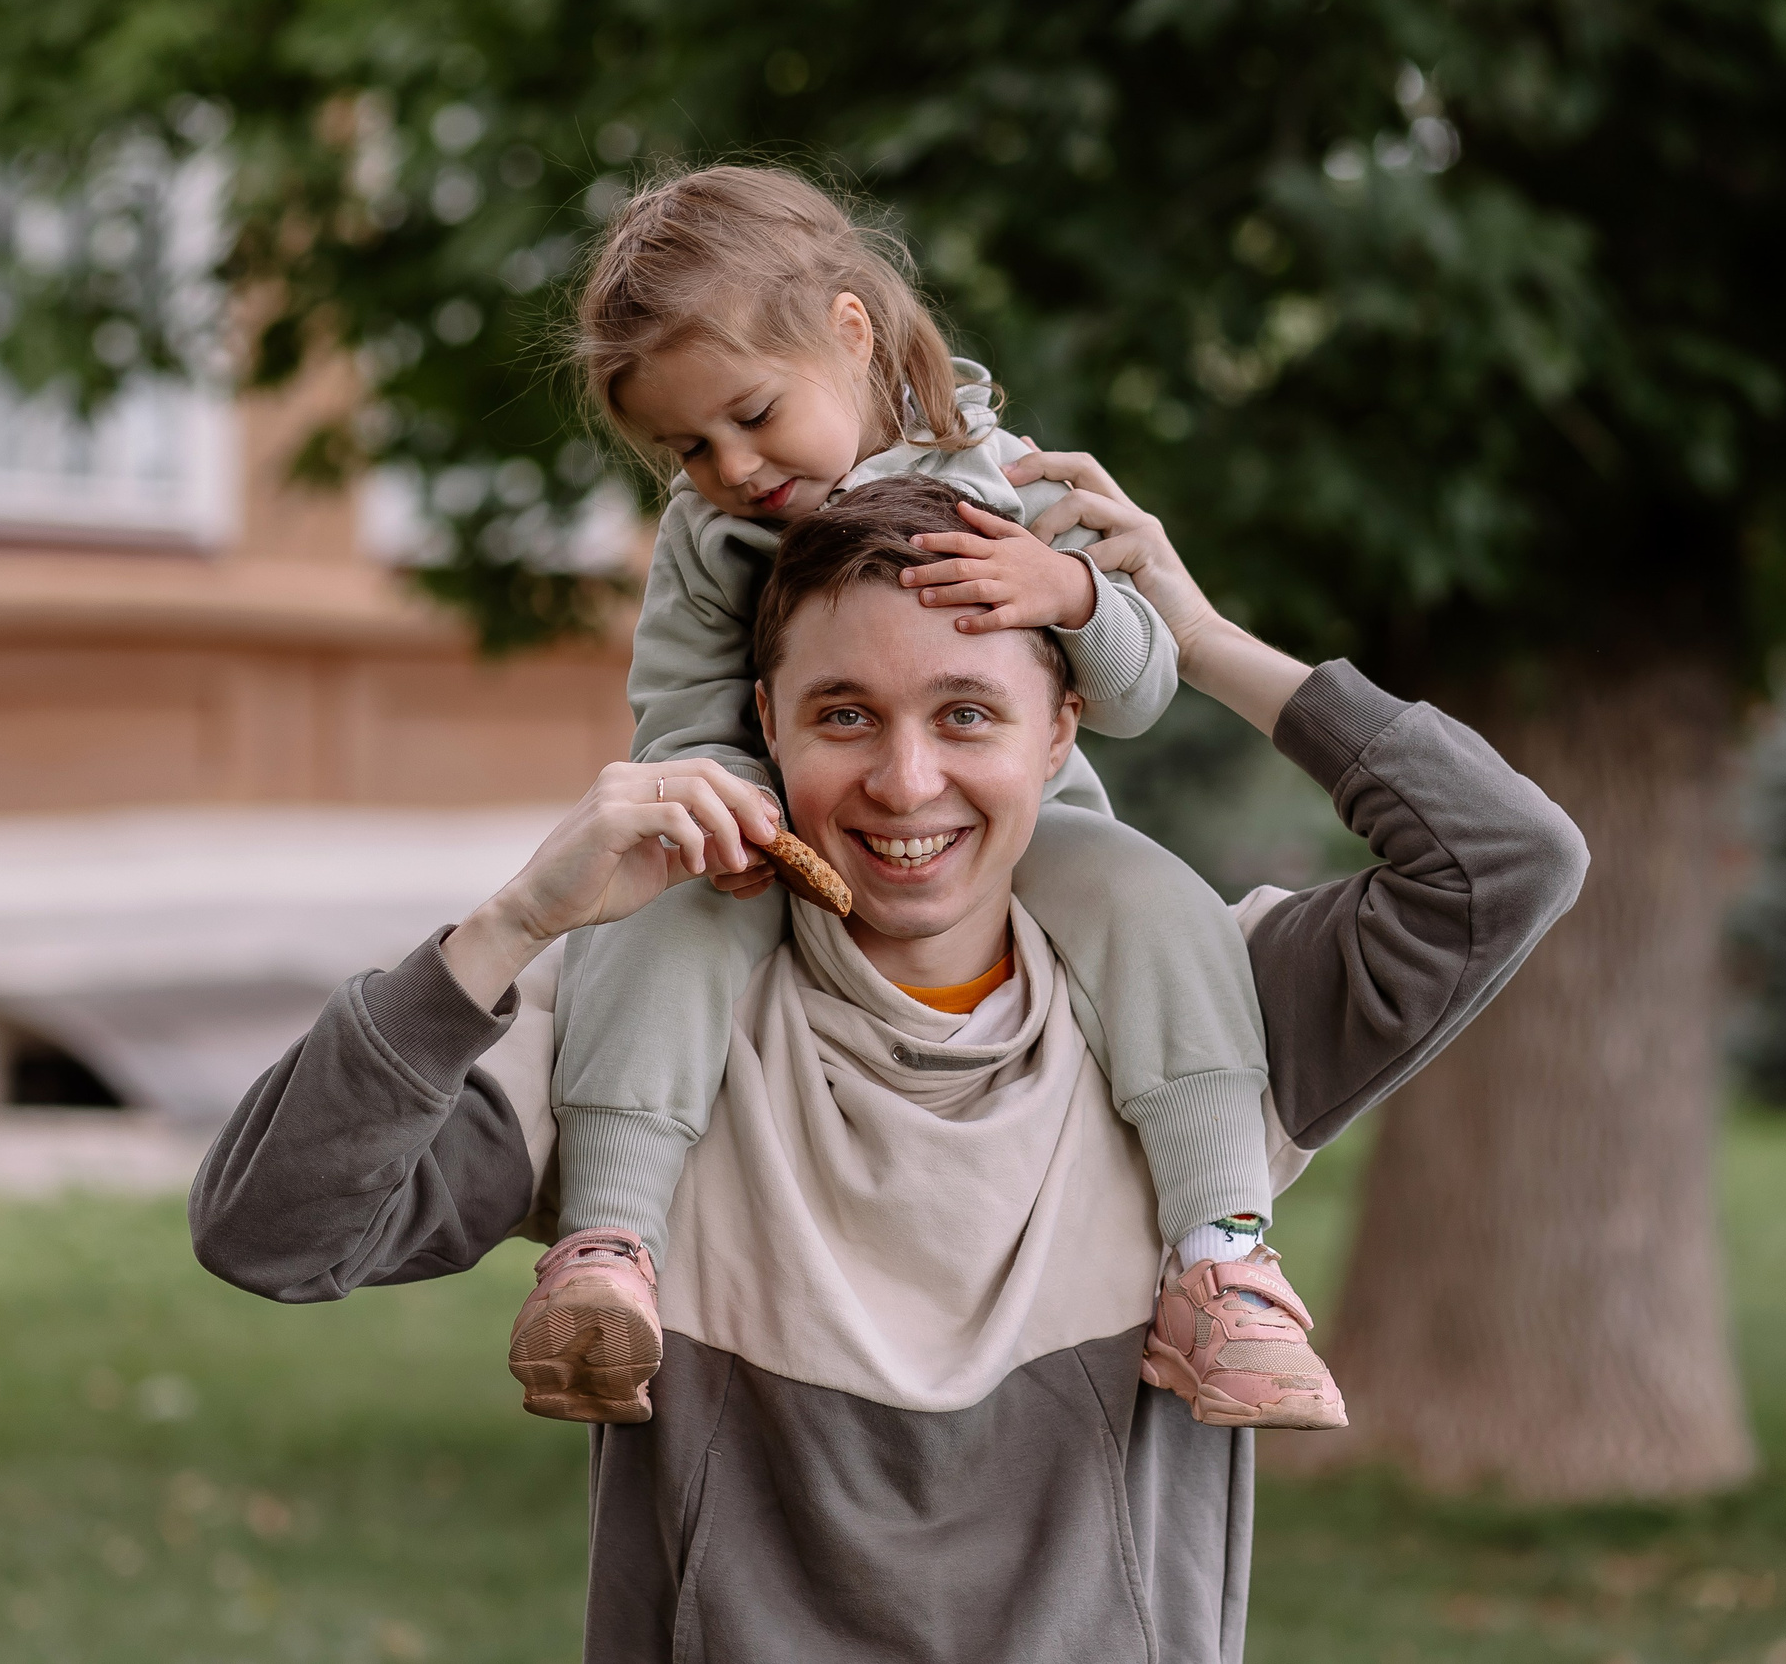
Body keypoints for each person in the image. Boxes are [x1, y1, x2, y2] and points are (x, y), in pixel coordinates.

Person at [190, 460, 1588, 1663]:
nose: (906, 782)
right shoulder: (629, 1036)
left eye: (968, 713)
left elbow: (1507, 861)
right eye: (846, 713)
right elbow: (274, 1232)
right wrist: (509, 926)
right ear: (768, 723)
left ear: (1061, 732)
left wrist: (1202, 638)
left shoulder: (1216, 1021)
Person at [534, 163, 1321, 1430]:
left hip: (1020, 837)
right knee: (651, 930)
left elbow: (1132, 691)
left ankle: (1221, 1254)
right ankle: (608, 1247)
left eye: (752, 413)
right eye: (689, 446)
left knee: (1159, 906)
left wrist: (1071, 597)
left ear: (848, 331)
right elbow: (682, 714)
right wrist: (736, 800)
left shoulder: (1006, 481)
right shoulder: (704, 541)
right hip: (789, 835)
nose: (731, 466)